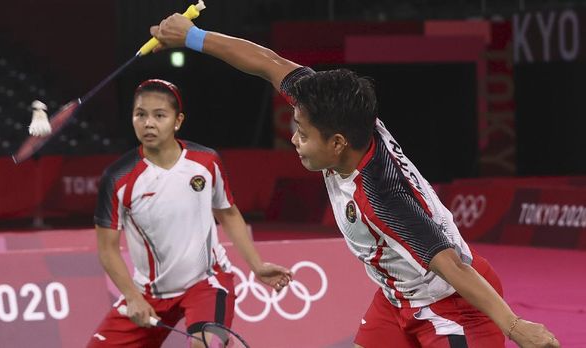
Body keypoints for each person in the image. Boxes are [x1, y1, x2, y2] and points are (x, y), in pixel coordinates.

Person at [147, 15, 561, 348]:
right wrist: (193, 37)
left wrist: (514, 326)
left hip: (453, 305)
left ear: (338, 143)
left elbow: (451, 266)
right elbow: (268, 63)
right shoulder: (341, 116)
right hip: (397, 297)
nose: (294, 138)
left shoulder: (382, 197)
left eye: (303, 135)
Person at [88, 79, 292, 347]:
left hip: (206, 282)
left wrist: (257, 265)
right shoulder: (117, 177)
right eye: (140, 114)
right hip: (148, 293)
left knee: (205, 344)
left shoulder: (206, 162)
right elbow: (107, 249)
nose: (148, 123)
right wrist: (132, 296)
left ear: (177, 121)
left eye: (159, 115)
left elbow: (228, 214)